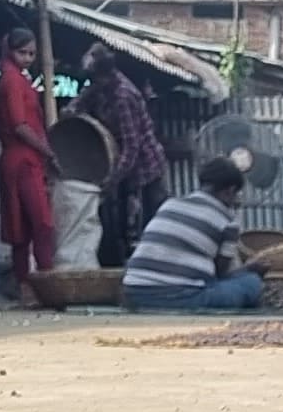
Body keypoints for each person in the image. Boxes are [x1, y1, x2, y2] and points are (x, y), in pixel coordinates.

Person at [121, 156, 266, 312]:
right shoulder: (228, 221)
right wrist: (249, 270)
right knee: (251, 283)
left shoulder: (170, 204)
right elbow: (220, 273)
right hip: (181, 297)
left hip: (134, 292)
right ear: (230, 191)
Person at [79, 43, 169, 269]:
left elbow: (132, 147)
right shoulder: (100, 87)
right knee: (118, 219)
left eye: (95, 79)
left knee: (152, 222)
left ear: (106, 75)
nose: (94, 84)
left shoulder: (123, 96)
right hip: (118, 162)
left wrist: (113, 179)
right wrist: (71, 110)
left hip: (146, 166)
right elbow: (82, 100)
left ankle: (156, 267)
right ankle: (118, 264)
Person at [0, 29, 59, 286]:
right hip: (23, 160)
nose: (28, 58)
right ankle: (46, 282)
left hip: (20, 159)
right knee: (40, 223)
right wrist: (48, 151)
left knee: (22, 226)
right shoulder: (12, 81)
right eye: (23, 52)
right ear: (10, 51)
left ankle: (26, 287)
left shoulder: (17, 79)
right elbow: (20, 125)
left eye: (32, 53)